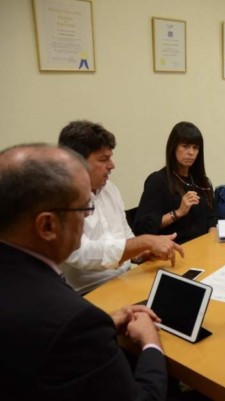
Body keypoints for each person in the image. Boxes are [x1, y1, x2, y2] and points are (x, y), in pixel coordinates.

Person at [0, 144, 166, 400]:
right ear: (47, 226)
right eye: (84, 209)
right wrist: (151, 344)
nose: (88, 217)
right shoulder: (75, 321)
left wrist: (106, 324)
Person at [59, 120, 184, 294]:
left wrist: (140, 253)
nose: (112, 165)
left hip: (125, 278)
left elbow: (125, 234)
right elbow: (82, 254)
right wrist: (144, 241)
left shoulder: (110, 189)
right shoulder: (60, 199)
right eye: (104, 159)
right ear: (76, 163)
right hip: (90, 293)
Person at [134, 122, 218, 244]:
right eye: (185, 146)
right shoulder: (157, 181)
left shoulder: (202, 181)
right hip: (173, 249)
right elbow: (141, 228)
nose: (191, 152)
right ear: (173, 147)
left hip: (203, 248)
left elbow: (213, 216)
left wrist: (211, 237)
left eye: (195, 148)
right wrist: (178, 212)